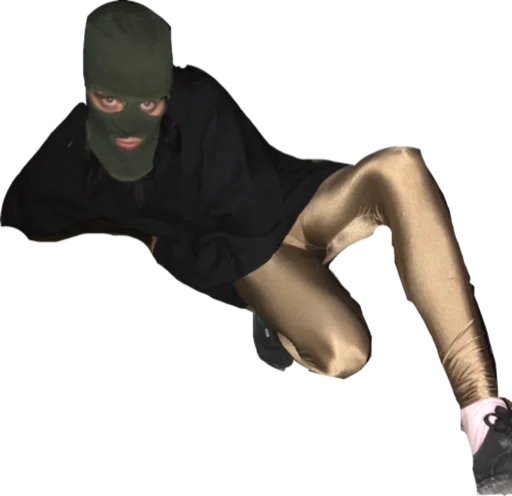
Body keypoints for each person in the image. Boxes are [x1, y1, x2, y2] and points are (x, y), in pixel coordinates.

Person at [0, 2, 509, 493]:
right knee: (345, 355)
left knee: (400, 166)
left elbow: (256, 197)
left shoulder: (199, 101)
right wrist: (133, 229)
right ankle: (275, 319)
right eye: (111, 100)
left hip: (287, 205)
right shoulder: (70, 152)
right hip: (250, 258)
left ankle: (485, 415)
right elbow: (27, 215)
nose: (130, 120)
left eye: (148, 102)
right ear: (90, 89)